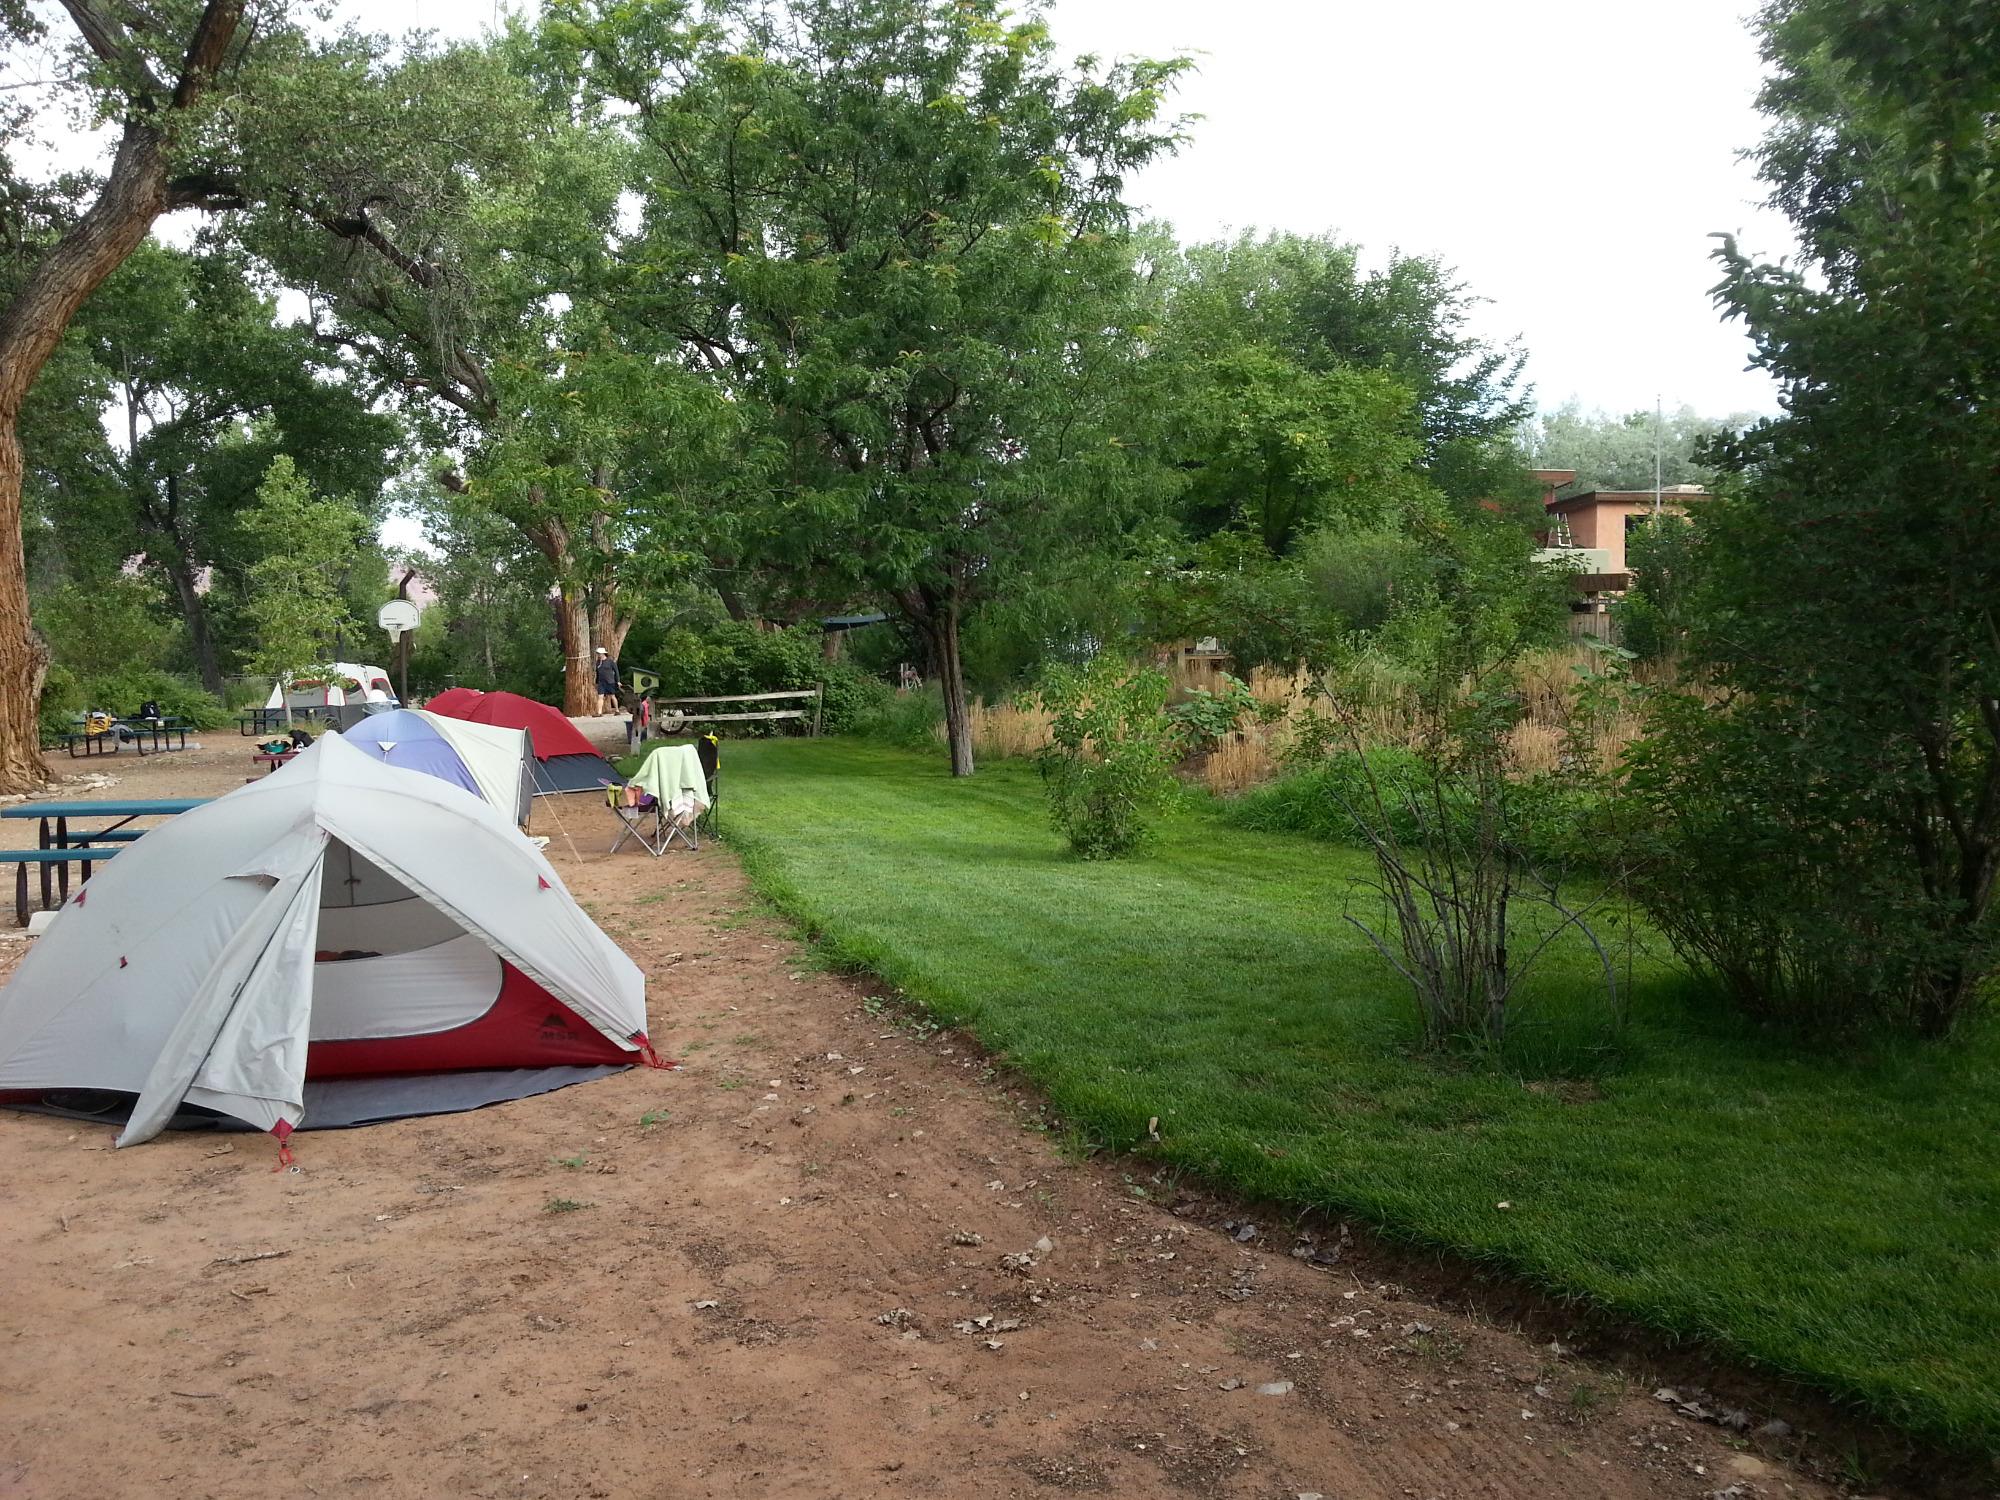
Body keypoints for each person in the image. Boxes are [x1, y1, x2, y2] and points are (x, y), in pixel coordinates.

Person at [594, 645, 620, 714]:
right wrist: (596, 682)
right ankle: (599, 712)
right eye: (598, 654)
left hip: (610, 681)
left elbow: (616, 671)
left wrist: (618, 681)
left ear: (603, 654)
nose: (598, 655)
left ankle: (617, 710)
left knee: (612, 696)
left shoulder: (610, 661)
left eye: (599, 653)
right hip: (601, 682)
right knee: (600, 697)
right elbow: (598, 673)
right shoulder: (598, 663)